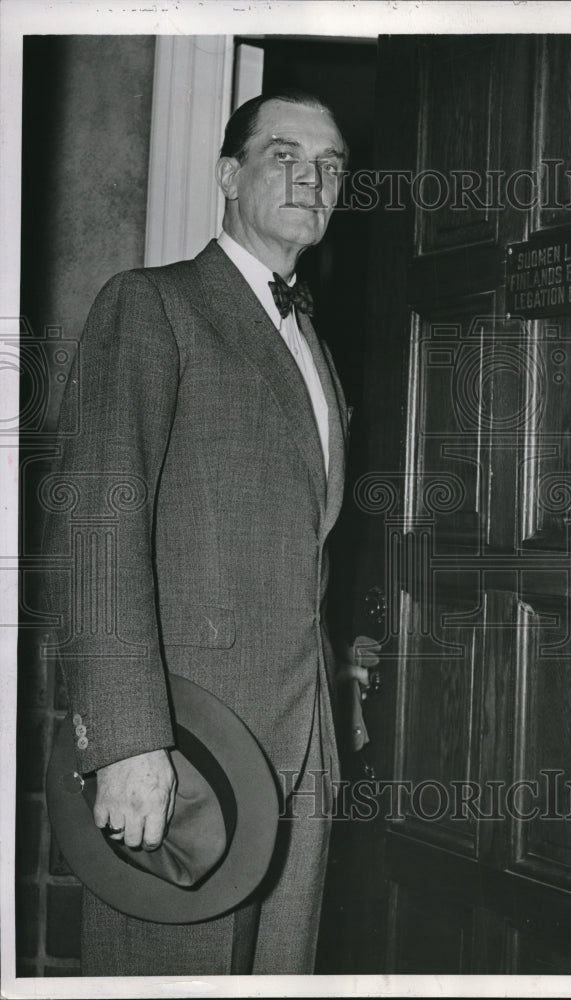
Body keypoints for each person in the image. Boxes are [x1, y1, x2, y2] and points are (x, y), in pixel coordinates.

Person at [42, 90, 372, 976]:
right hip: (188, 748)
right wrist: (123, 741)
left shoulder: (313, 340)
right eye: (284, 155)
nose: (313, 178)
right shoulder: (152, 307)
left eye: (331, 165)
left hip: (301, 741)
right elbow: (98, 535)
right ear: (228, 174)